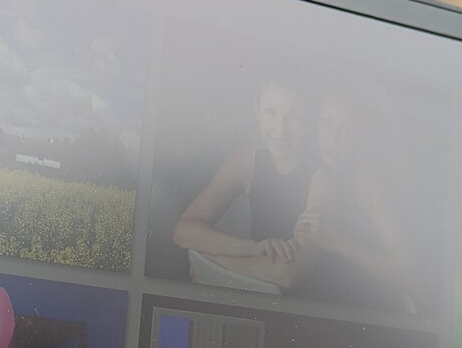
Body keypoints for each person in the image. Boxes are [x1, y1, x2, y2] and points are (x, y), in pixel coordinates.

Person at [172, 82, 414, 309]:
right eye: (326, 122)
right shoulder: (247, 162)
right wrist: (250, 249)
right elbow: (183, 231)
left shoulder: (333, 178)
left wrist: (208, 257)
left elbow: (287, 273)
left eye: (295, 116)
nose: (281, 129)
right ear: (257, 109)